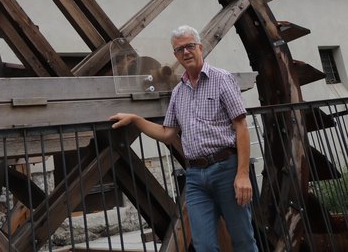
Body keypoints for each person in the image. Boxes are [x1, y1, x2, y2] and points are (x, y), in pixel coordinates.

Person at [109, 25, 258, 252]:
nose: (185, 52)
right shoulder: (178, 92)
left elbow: (241, 127)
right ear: (176, 56)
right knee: (204, 246)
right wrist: (135, 119)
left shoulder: (222, 79)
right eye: (179, 50)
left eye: (189, 46)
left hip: (226, 169)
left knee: (243, 241)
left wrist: (243, 174)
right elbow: (167, 134)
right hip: (196, 177)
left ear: (200, 48)